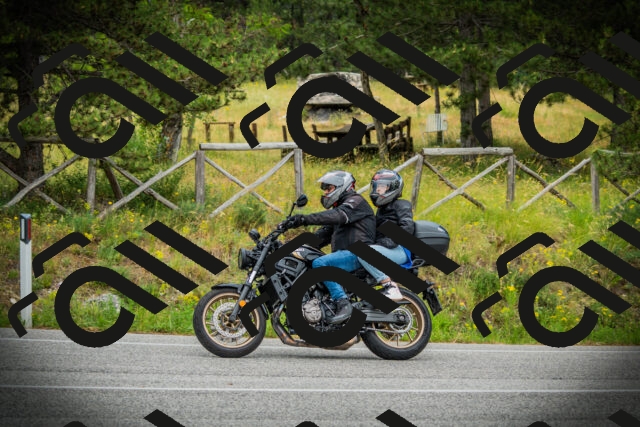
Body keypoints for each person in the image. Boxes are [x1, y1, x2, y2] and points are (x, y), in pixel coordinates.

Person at [282, 170, 376, 324]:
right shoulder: (341, 209)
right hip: (346, 255)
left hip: (360, 254)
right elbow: (320, 237)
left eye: (329, 188)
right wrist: (290, 247)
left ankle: (342, 303)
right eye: (325, 189)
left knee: (320, 263)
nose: (325, 193)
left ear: (343, 186)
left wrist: (304, 219)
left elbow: (337, 215)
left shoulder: (355, 202)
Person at [355, 169, 414, 302]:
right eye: (376, 187)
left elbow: (407, 227)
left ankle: (390, 286)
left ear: (392, 188)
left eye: (381, 186)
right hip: (386, 249)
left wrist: (388, 242)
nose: (377, 190)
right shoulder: (381, 210)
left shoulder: (402, 204)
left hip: (399, 250)